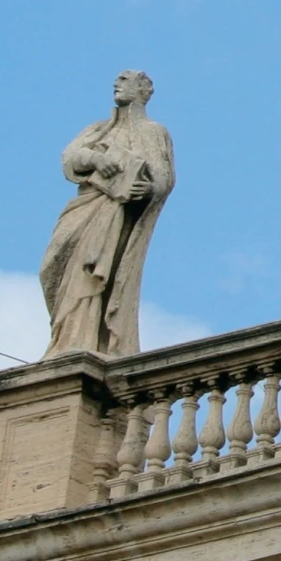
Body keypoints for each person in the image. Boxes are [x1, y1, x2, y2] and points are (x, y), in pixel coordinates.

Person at [40, 70, 174, 358]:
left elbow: (163, 177)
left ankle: (83, 340)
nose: (116, 83)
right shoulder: (99, 128)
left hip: (114, 212)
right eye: (117, 79)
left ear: (143, 90)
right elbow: (70, 156)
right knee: (52, 266)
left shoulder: (153, 131)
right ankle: (64, 336)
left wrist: (148, 188)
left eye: (125, 80)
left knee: (92, 271)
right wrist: (97, 158)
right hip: (86, 205)